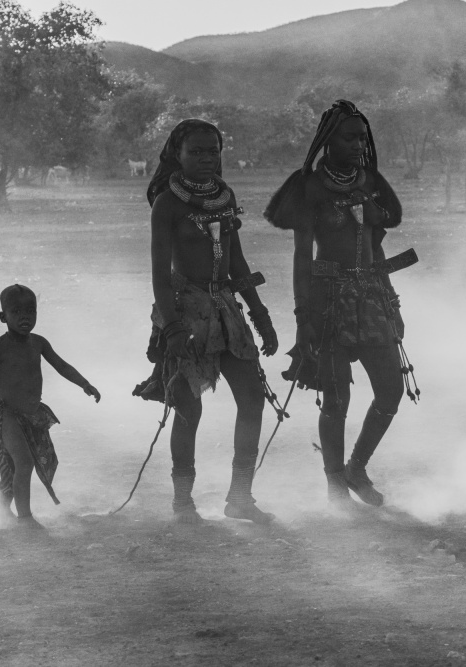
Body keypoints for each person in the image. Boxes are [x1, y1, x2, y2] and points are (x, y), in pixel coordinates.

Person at [265, 100, 416, 509]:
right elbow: (301, 257)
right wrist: (301, 317)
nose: (357, 144)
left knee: (390, 390)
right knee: (336, 399)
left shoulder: (369, 181)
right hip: (326, 303)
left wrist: (392, 305)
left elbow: (378, 239)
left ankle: (357, 467)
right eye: (349, 137)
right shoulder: (309, 187)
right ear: (328, 141)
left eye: (362, 137)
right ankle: (335, 486)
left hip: (370, 298)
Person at [135, 119, 279, 525]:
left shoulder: (225, 197)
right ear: (176, 155)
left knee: (251, 399)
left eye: (212, 150)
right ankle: (183, 503)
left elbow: (235, 259)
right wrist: (172, 327)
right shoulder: (168, 204)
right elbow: (160, 275)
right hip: (185, 308)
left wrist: (260, 313)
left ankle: (240, 498)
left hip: (226, 307)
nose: (205, 158)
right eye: (195, 151)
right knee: (188, 409)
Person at [0, 284, 101, 529]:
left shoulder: (39, 343)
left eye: (31, 311)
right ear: (3, 317)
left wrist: (85, 384)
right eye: (17, 312)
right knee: (24, 462)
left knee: (12, 468)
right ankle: (25, 518)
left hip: (32, 416)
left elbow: (62, 366)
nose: (25, 317)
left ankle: (2, 507)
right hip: (8, 416)